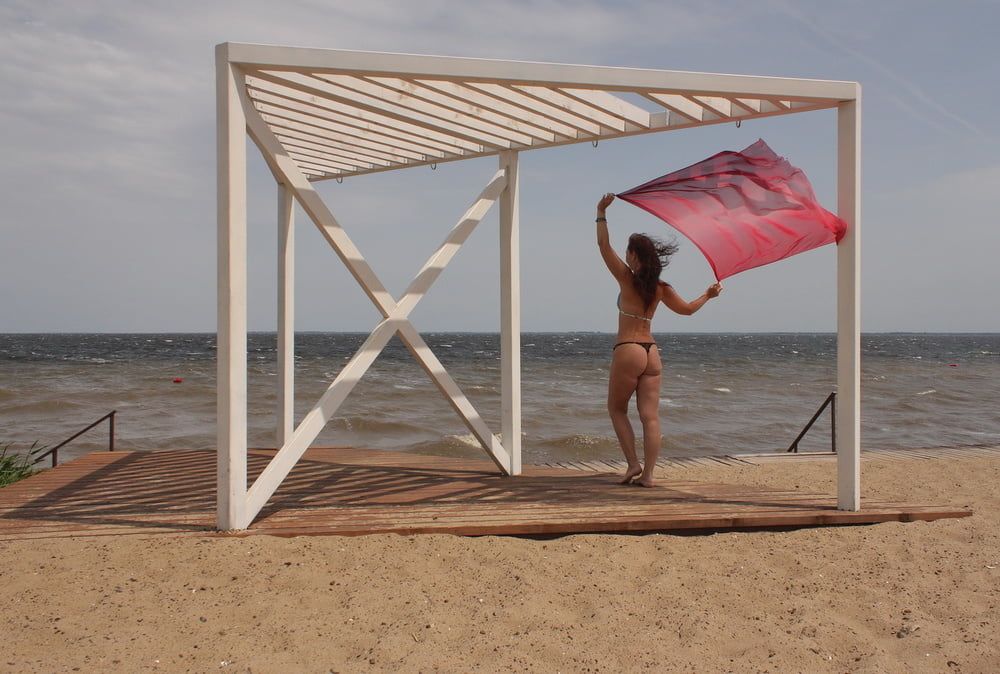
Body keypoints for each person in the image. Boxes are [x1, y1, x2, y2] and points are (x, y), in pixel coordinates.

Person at [595, 193, 722, 487]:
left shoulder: (626, 279)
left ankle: (632, 465)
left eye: (628, 252)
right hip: (652, 352)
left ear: (634, 256)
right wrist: (708, 295)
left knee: (616, 409)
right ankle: (649, 476)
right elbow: (688, 310)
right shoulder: (662, 288)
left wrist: (601, 212)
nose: (626, 256)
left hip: (628, 349)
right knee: (650, 417)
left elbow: (603, 245)